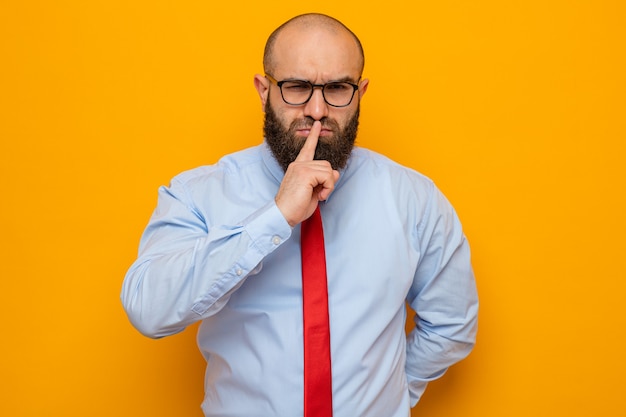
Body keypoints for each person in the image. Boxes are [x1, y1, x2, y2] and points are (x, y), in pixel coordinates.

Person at [121, 13, 478, 417]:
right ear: (263, 90)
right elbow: (148, 309)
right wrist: (274, 218)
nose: (317, 109)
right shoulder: (200, 194)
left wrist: (392, 395)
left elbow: (452, 323)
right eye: (296, 87)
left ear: (360, 92)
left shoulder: (413, 198)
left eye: (338, 88)